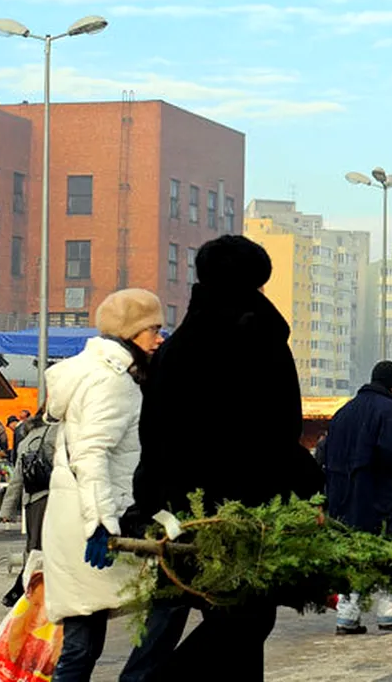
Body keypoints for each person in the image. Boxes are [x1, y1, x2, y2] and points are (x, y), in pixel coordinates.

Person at [128, 235, 324, 679]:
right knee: (246, 618)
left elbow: (154, 433)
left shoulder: (177, 349)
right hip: (246, 511)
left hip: (184, 510)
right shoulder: (262, 341)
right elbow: (280, 430)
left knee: (232, 621)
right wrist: (307, 491)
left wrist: (153, 504)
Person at [41, 288, 164, 682]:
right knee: (163, 600)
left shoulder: (103, 374)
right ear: (129, 332)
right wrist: (101, 525)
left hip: (78, 512)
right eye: (152, 329)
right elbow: (91, 453)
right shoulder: (111, 382)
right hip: (92, 516)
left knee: (84, 631)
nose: (159, 339)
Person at [325, 360, 392, 634]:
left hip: (343, 500)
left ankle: (346, 616)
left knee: (352, 557)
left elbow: (325, 455)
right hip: (379, 498)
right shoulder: (391, 412)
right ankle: (391, 613)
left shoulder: (343, 413)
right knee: (390, 552)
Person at [0, 412, 55, 608]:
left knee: (33, 547)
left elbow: (17, 480)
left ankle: (23, 587)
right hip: (53, 497)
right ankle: (23, 588)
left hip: (31, 500)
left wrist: (7, 511)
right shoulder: (57, 434)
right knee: (45, 549)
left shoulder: (26, 441)